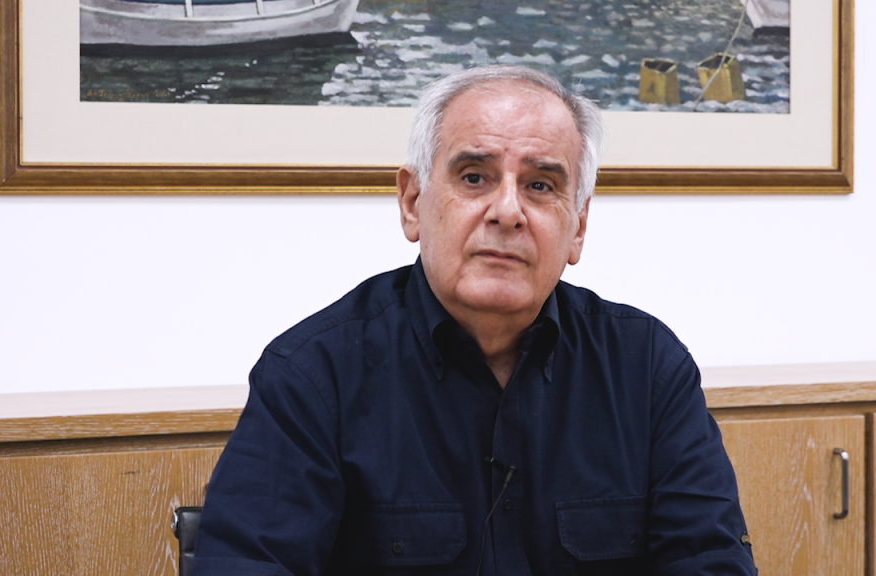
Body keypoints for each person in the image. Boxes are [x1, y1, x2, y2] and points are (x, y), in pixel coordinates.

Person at [193, 65, 757, 576]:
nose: (508, 211)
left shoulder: (648, 369)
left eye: (540, 185)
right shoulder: (312, 377)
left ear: (578, 228)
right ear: (412, 203)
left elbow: (711, 561)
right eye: (473, 177)